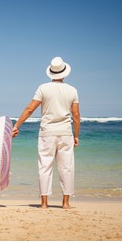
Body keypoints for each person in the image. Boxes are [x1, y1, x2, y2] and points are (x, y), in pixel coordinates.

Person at [12, 57, 80, 209]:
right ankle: (66, 203)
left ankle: (44, 203)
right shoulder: (72, 90)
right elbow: (76, 116)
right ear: (64, 73)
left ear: (51, 72)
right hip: (65, 133)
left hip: (47, 133)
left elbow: (30, 109)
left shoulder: (43, 88)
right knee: (66, 167)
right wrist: (76, 135)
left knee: (44, 167)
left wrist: (16, 125)